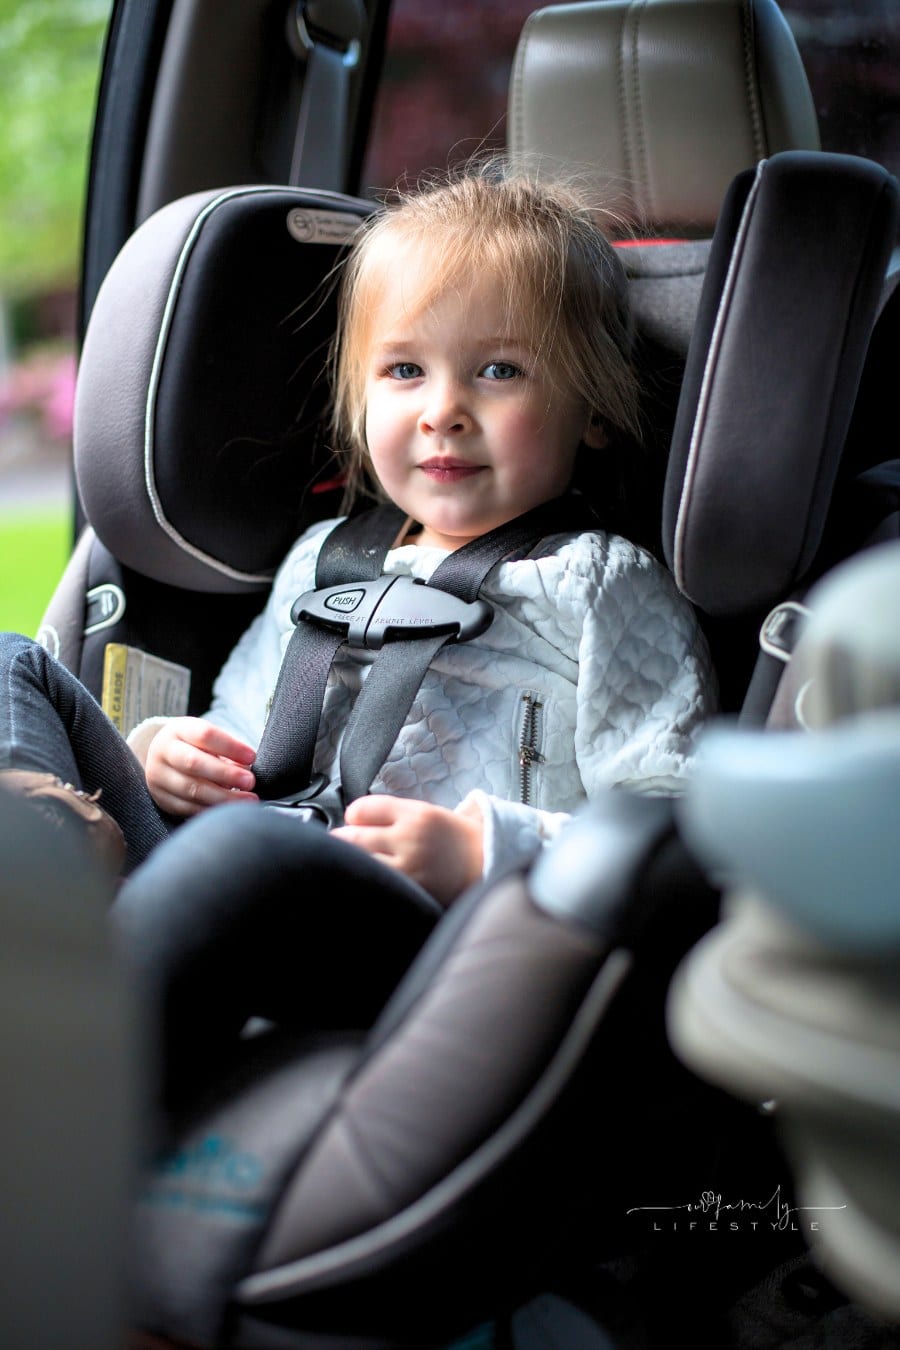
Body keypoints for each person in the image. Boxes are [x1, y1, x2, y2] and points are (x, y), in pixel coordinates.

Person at [0, 168, 715, 973]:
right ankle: (46, 857)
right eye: (405, 371)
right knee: (9, 660)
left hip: (424, 922)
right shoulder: (323, 559)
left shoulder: (601, 584)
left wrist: (486, 850)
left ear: (591, 412)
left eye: (500, 371)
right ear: (360, 398)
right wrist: (167, 753)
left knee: (238, 853)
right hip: (241, 849)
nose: (442, 410)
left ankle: (69, 1023)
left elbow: (669, 824)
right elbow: (243, 730)